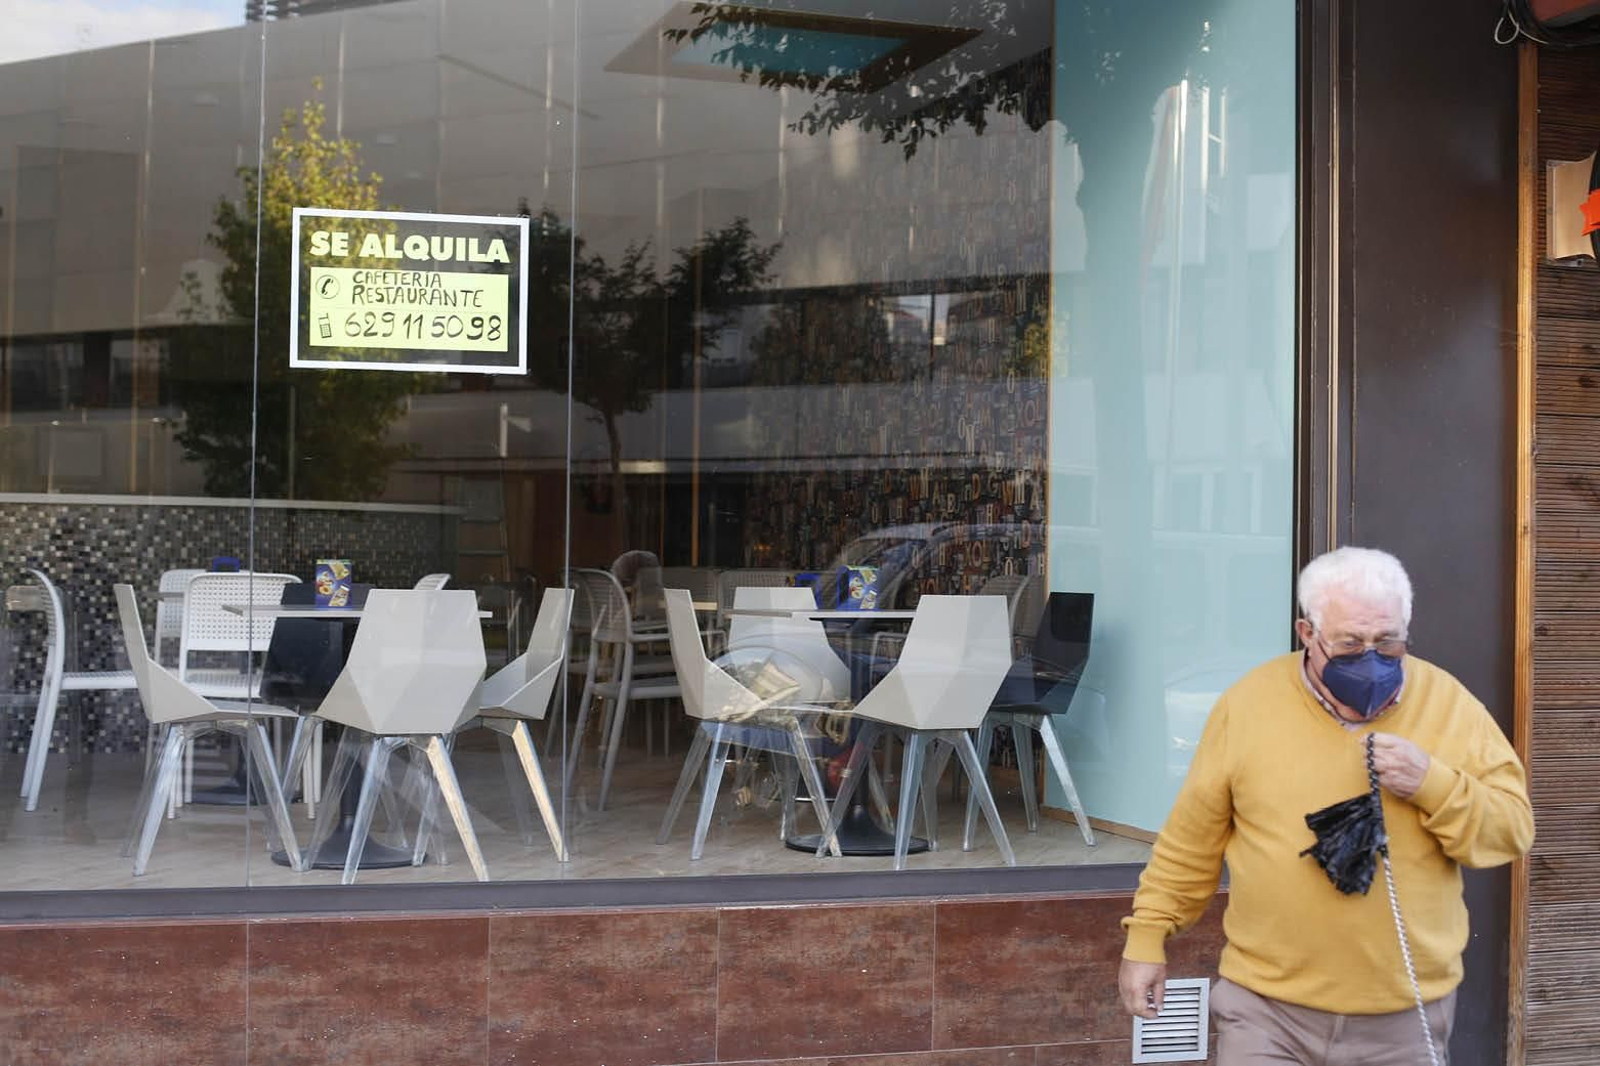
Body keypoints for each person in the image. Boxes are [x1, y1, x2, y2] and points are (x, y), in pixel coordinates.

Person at [1117, 546, 1533, 1066]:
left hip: (1401, 1017)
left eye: (1388, 642)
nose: (1371, 658)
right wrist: (1148, 938)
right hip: (1266, 1010)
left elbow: (1512, 830)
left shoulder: (1450, 704)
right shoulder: (1248, 705)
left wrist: (1434, 784)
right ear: (1307, 632)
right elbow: (1190, 842)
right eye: (1350, 643)